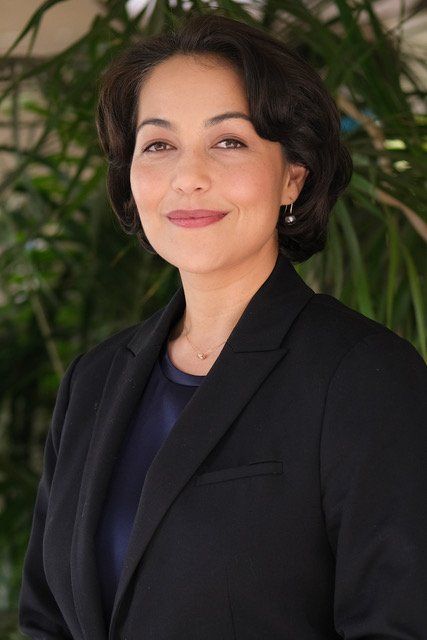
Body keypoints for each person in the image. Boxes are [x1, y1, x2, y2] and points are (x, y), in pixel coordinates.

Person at [18, 13, 427, 640]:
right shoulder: (92, 381)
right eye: (158, 144)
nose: (188, 175)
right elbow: (46, 618)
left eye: (229, 140)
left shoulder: (364, 377)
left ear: (293, 174)